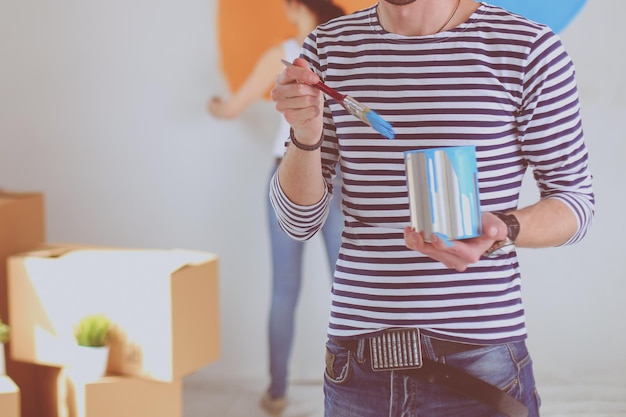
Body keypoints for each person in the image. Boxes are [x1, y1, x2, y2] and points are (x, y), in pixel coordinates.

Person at [269, 0, 595, 416]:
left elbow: (575, 201)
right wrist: (305, 133)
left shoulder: (528, 48)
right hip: (358, 364)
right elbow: (297, 222)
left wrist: (503, 228)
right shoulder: (329, 47)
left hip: (481, 360)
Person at [207, 1, 345, 416]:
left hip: (290, 177)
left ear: (295, 6)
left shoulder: (283, 52)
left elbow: (231, 108)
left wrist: (215, 105)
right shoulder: (349, 48)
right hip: (342, 179)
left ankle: (278, 393)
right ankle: (357, 384)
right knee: (349, 290)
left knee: (284, 291)